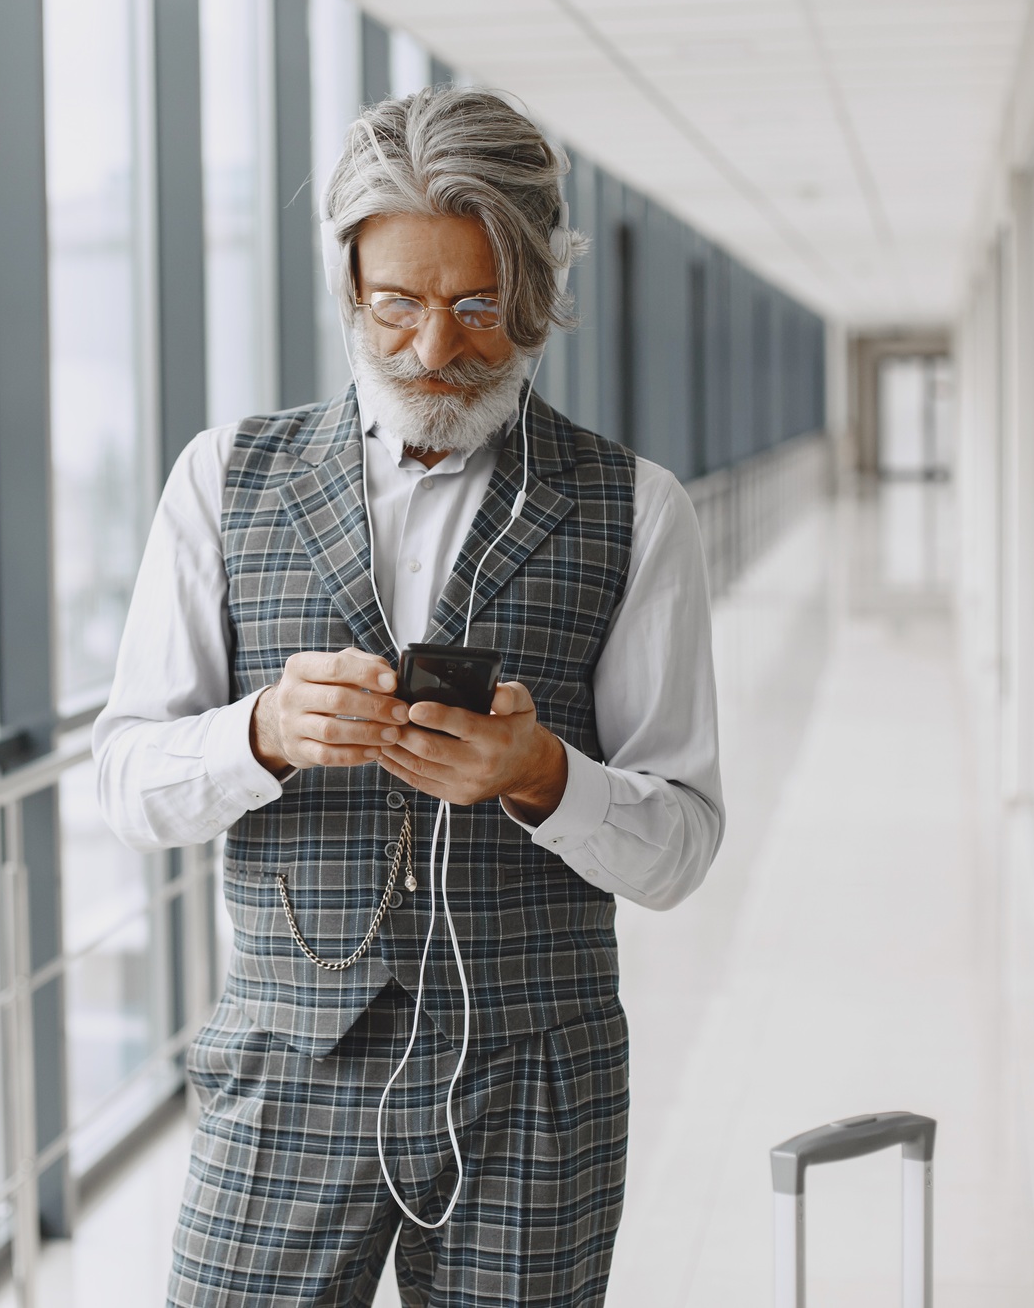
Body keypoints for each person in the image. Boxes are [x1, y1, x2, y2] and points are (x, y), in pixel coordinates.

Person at [93, 86, 722, 1308]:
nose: (434, 351)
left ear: (538, 294)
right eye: (397, 305)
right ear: (348, 289)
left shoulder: (638, 509)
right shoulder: (222, 479)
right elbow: (123, 781)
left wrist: (541, 778)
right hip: (286, 1062)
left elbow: (680, 846)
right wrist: (259, 735)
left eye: (479, 308)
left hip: (533, 1084)